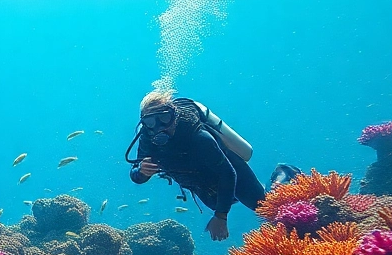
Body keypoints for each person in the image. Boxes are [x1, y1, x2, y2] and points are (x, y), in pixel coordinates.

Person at [125, 89, 296, 241]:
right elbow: (135, 174)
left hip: (230, 174)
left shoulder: (197, 136)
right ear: (144, 124)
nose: (159, 128)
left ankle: (284, 174)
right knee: (220, 203)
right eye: (151, 122)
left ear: (175, 115)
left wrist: (221, 217)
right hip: (204, 188)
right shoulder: (148, 139)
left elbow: (227, 173)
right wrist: (142, 172)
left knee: (268, 208)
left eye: (164, 118)